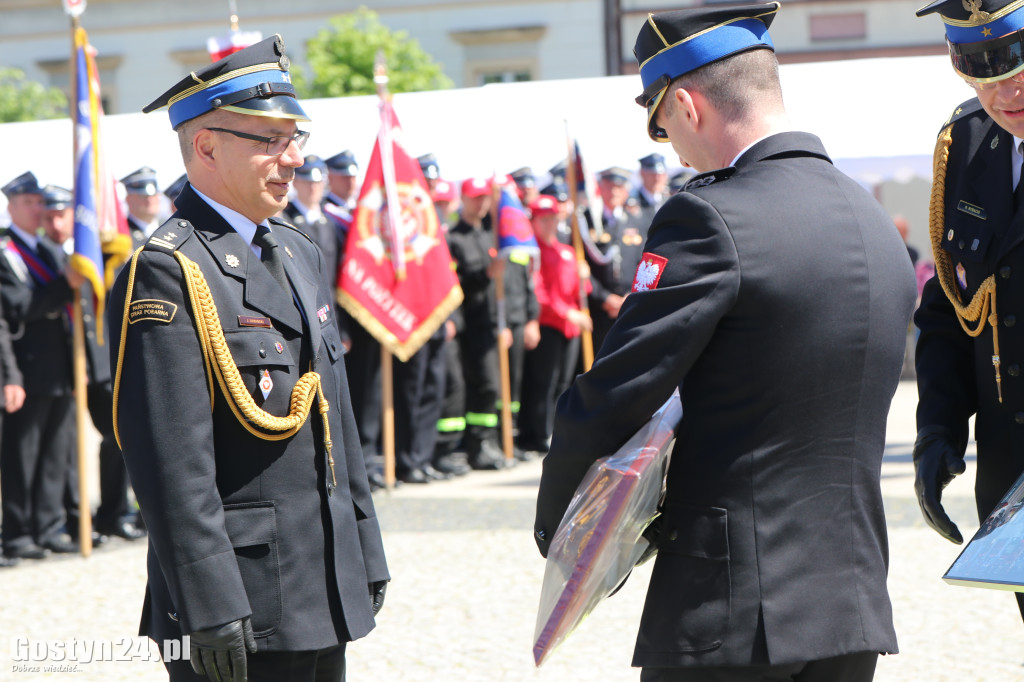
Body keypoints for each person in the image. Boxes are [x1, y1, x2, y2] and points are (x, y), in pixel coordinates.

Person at [534, 4, 916, 681]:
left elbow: (619, 389)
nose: (673, 150)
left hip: (733, 605)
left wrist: (565, 527)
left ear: (687, 103)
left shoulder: (709, 216)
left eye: (665, 127)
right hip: (850, 598)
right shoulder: (871, 218)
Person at [108, 35, 388, 681]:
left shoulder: (296, 249)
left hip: (322, 579)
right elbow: (169, 460)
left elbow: (334, 417)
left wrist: (363, 548)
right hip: (240, 599)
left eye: (296, 137)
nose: (292, 158)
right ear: (206, 145)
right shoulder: (168, 269)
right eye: (269, 139)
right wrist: (207, 599)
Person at [913, 0, 1024, 623]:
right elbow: (954, 309)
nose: (1005, 89)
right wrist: (939, 429)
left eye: (1016, 60)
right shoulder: (967, 146)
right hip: (1012, 484)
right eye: (981, 70)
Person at [0, 172, 83, 560]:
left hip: (59, 367)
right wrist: (63, 283)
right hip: (27, 368)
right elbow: (18, 306)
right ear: (12, 206)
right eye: (31, 203)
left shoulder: (49, 249)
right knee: (23, 455)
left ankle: (49, 526)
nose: (40, 209)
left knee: (55, 453)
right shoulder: (6, 250)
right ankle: (17, 533)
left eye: (41, 202)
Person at [518, 195, 590, 455]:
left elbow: (580, 291)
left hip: (570, 329)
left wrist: (585, 276)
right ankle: (539, 432)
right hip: (550, 324)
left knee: (563, 383)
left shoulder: (568, 253)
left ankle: (554, 430)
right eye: (544, 219)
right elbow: (540, 294)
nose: (549, 224)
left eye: (553, 219)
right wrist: (567, 313)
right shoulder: (534, 253)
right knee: (543, 383)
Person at [588, 166, 649, 352]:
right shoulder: (587, 222)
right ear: (600, 187)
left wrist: (631, 296)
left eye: (619, 187)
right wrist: (604, 298)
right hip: (598, 310)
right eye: (609, 186)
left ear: (626, 191)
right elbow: (582, 267)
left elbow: (644, 262)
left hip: (630, 307)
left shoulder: (637, 222)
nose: (614, 191)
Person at [121, 167, 163, 249]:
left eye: (154, 195)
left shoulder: (167, 229)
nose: (150, 200)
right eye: (143, 196)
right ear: (128, 199)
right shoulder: (122, 235)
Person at [635, 152, 669, 227]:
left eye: (660, 174)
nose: (657, 179)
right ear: (642, 174)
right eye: (652, 174)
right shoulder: (633, 202)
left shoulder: (669, 201)